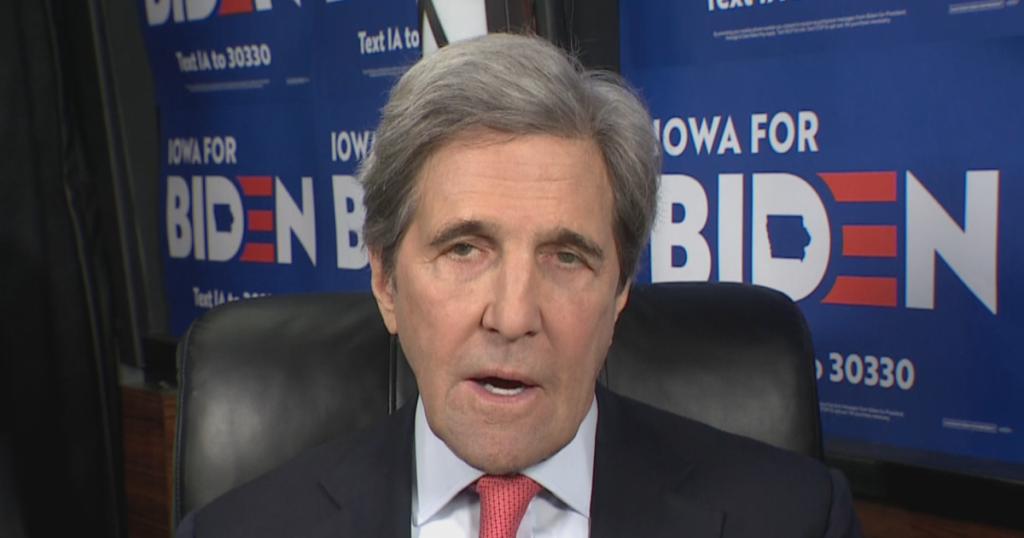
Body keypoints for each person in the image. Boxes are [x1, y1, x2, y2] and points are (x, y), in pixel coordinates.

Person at [175, 33, 863, 538]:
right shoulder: (238, 531)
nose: (511, 316)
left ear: (620, 292)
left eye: (566, 257)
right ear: (385, 280)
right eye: (464, 249)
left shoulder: (794, 520)